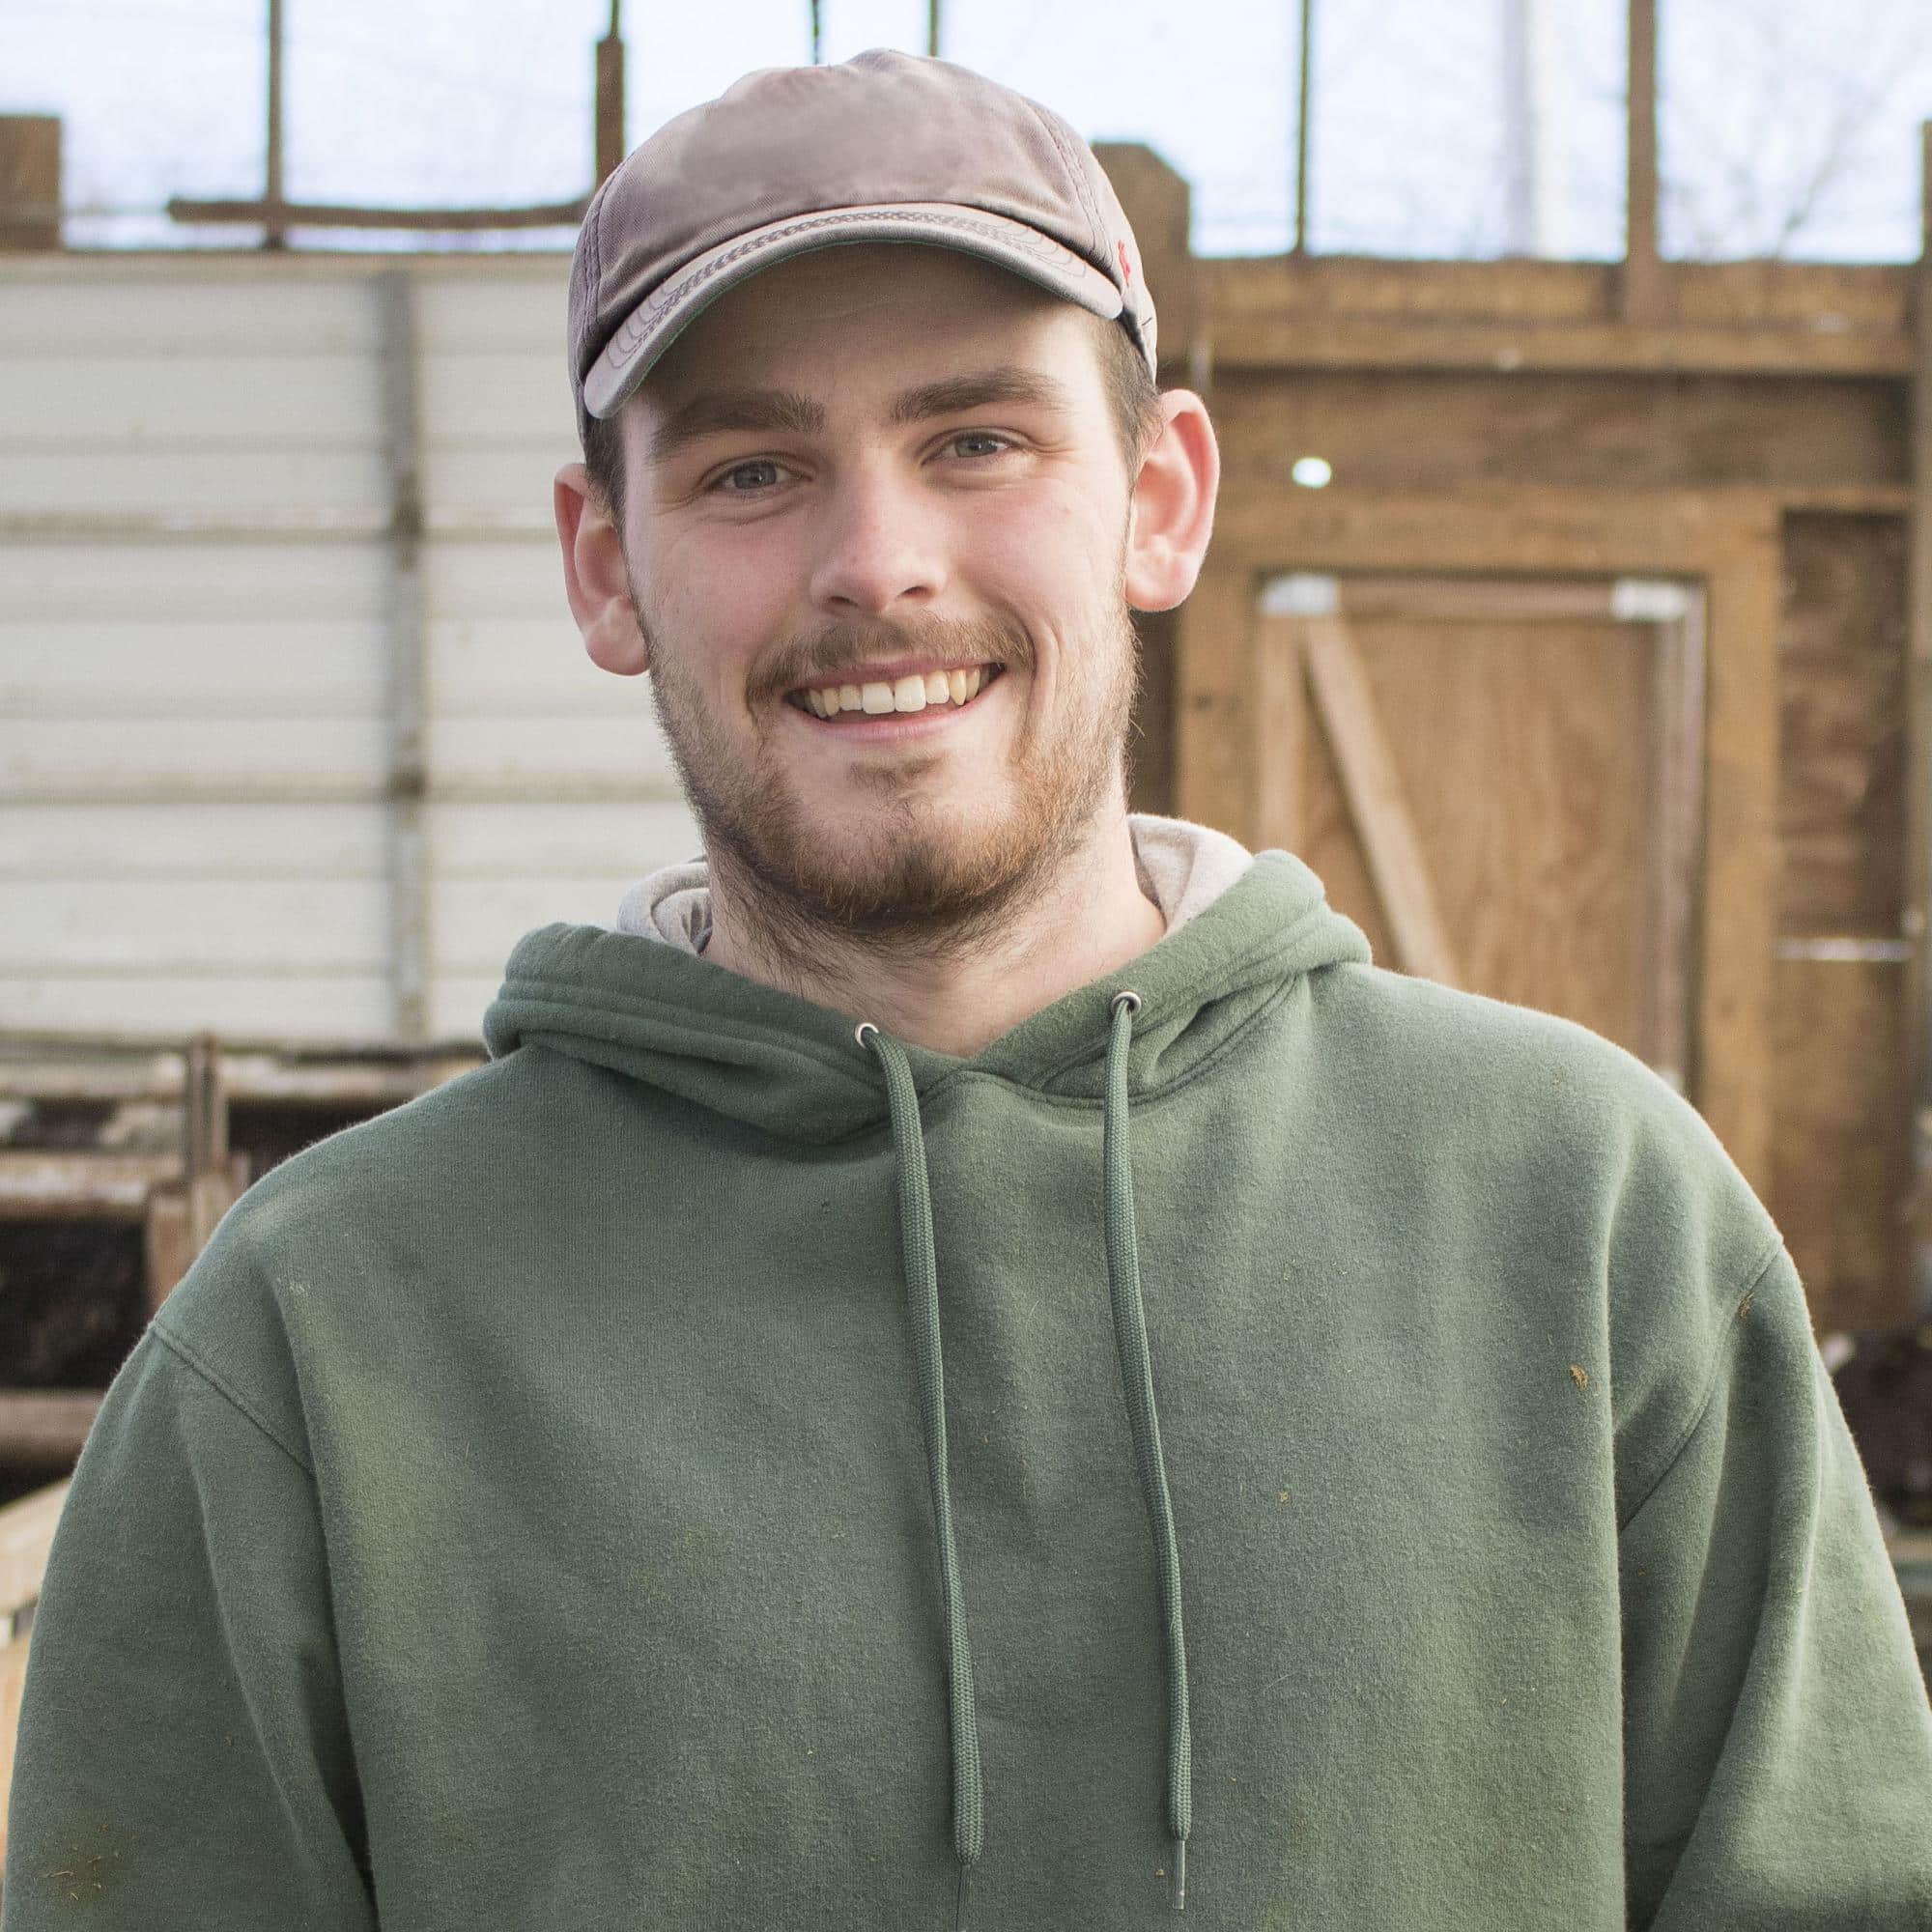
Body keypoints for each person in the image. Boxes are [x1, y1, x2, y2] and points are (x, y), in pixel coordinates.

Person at [5, 46, 1930, 1932]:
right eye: (756, 467)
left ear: (1159, 496)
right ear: (605, 568)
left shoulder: (1588, 1222)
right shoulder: (316, 1343)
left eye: (977, 442)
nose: (879, 564)